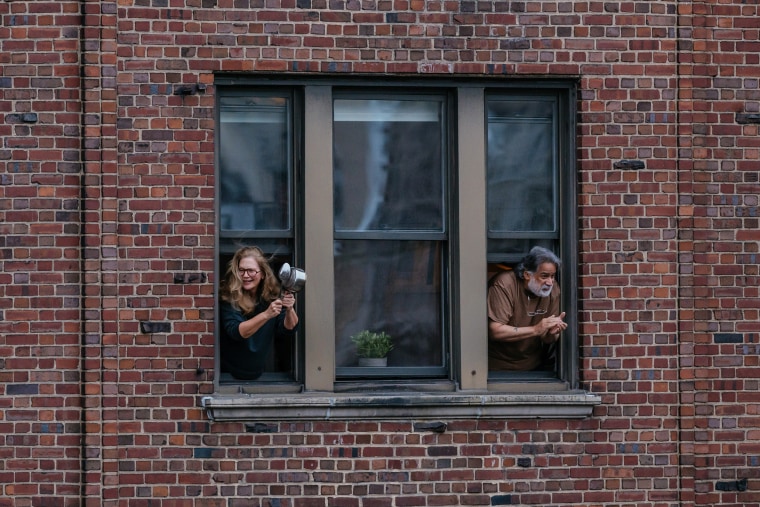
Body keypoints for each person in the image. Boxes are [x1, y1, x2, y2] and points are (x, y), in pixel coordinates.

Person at [219, 246, 298, 380]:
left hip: (262, 375)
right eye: (241, 270)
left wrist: (290, 309)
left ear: (262, 274)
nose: (245, 275)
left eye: (251, 271)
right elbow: (238, 332)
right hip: (227, 375)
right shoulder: (229, 297)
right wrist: (266, 315)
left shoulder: (272, 296)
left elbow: (289, 328)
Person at [487, 246, 567, 371]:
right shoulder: (504, 284)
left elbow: (547, 338)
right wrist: (536, 329)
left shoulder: (554, 290)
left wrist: (552, 334)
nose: (550, 282)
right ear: (527, 275)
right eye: (544, 276)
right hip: (497, 368)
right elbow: (495, 331)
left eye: (552, 276)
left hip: (532, 367)